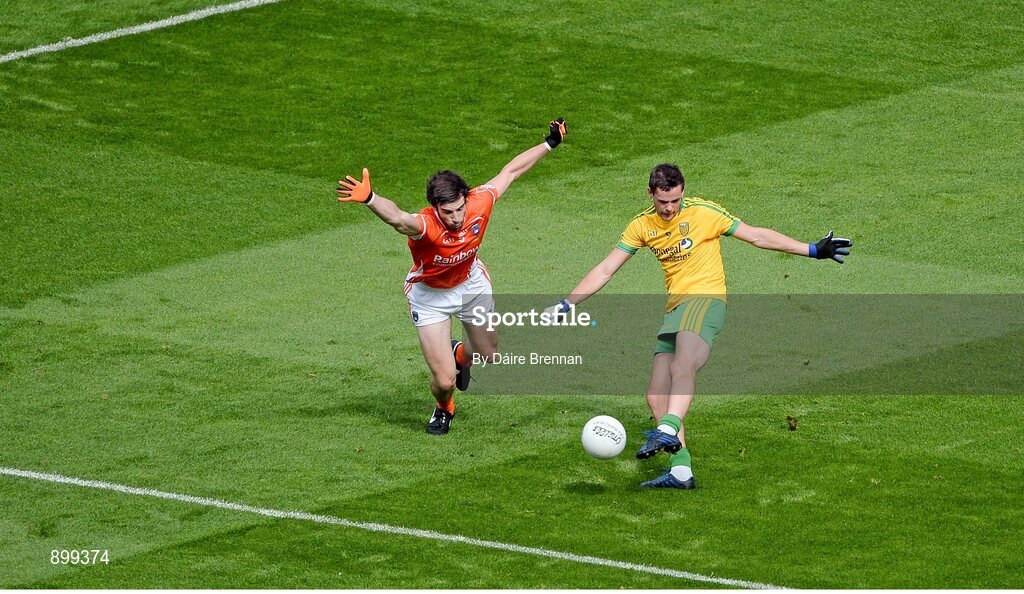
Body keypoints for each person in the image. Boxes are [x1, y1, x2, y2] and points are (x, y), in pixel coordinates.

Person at [545, 163, 851, 488]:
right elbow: (606, 269)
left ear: (682, 193)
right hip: (675, 308)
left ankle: (667, 429)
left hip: (706, 301)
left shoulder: (705, 213)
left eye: (675, 201)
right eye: (663, 201)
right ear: (651, 194)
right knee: (655, 395)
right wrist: (567, 304)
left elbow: (756, 235)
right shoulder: (641, 225)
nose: (669, 208)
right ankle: (681, 471)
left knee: (682, 365)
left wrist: (813, 250)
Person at [337, 119, 568, 435]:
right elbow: (398, 218)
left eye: (460, 209)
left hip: (471, 284)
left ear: (465, 198)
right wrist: (370, 198)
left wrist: (549, 144)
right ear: (435, 208)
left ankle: (461, 353)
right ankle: (444, 407)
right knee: (445, 379)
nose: (457, 218)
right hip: (430, 296)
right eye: (449, 213)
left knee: (488, 354)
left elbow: (511, 171)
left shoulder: (479, 202)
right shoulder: (425, 226)